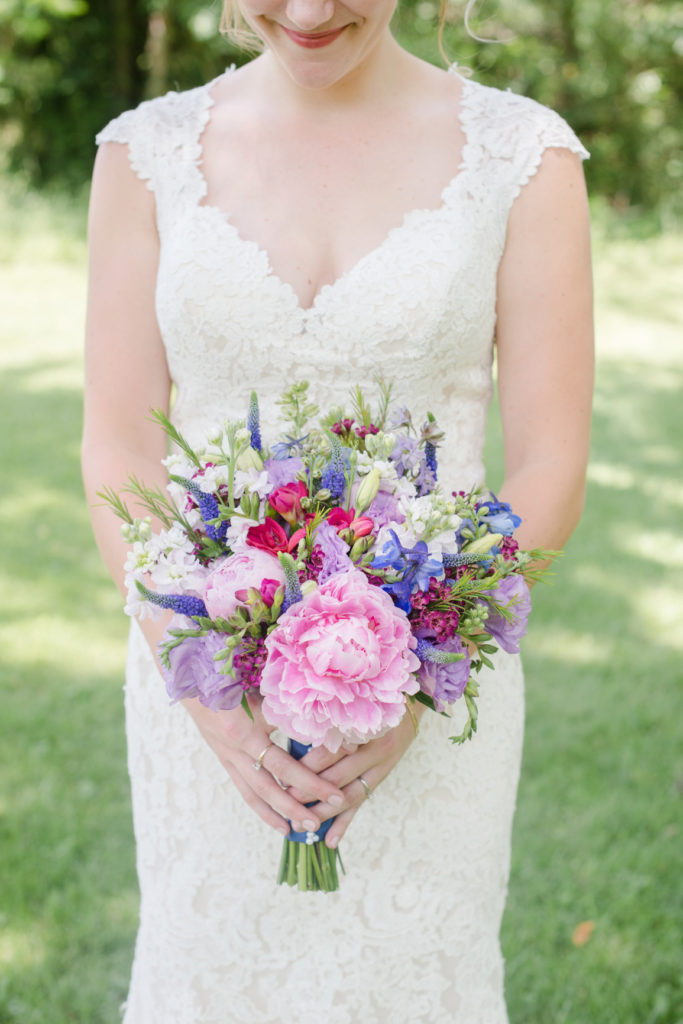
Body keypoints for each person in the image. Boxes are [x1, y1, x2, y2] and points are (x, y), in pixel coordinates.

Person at [82, 1, 593, 1020]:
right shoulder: (143, 155)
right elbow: (119, 446)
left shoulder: (521, 157)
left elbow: (547, 463)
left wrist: (410, 681)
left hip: (430, 696)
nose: (310, 12)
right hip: (202, 689)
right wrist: (204, 690)